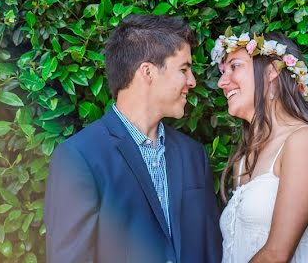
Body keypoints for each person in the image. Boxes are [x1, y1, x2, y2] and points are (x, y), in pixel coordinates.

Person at [44, 14, 222, 263]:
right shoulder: (78, 158)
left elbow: (211, 252)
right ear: (147, 72)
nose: (192, 81)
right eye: (184, 69)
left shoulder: (194, 155)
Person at [213, 31, 308, 263]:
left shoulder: (304, 142)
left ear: (272, 71)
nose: (222, 82)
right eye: (222, 71)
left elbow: (276, 255)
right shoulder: (245, 159)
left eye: (235, 67)